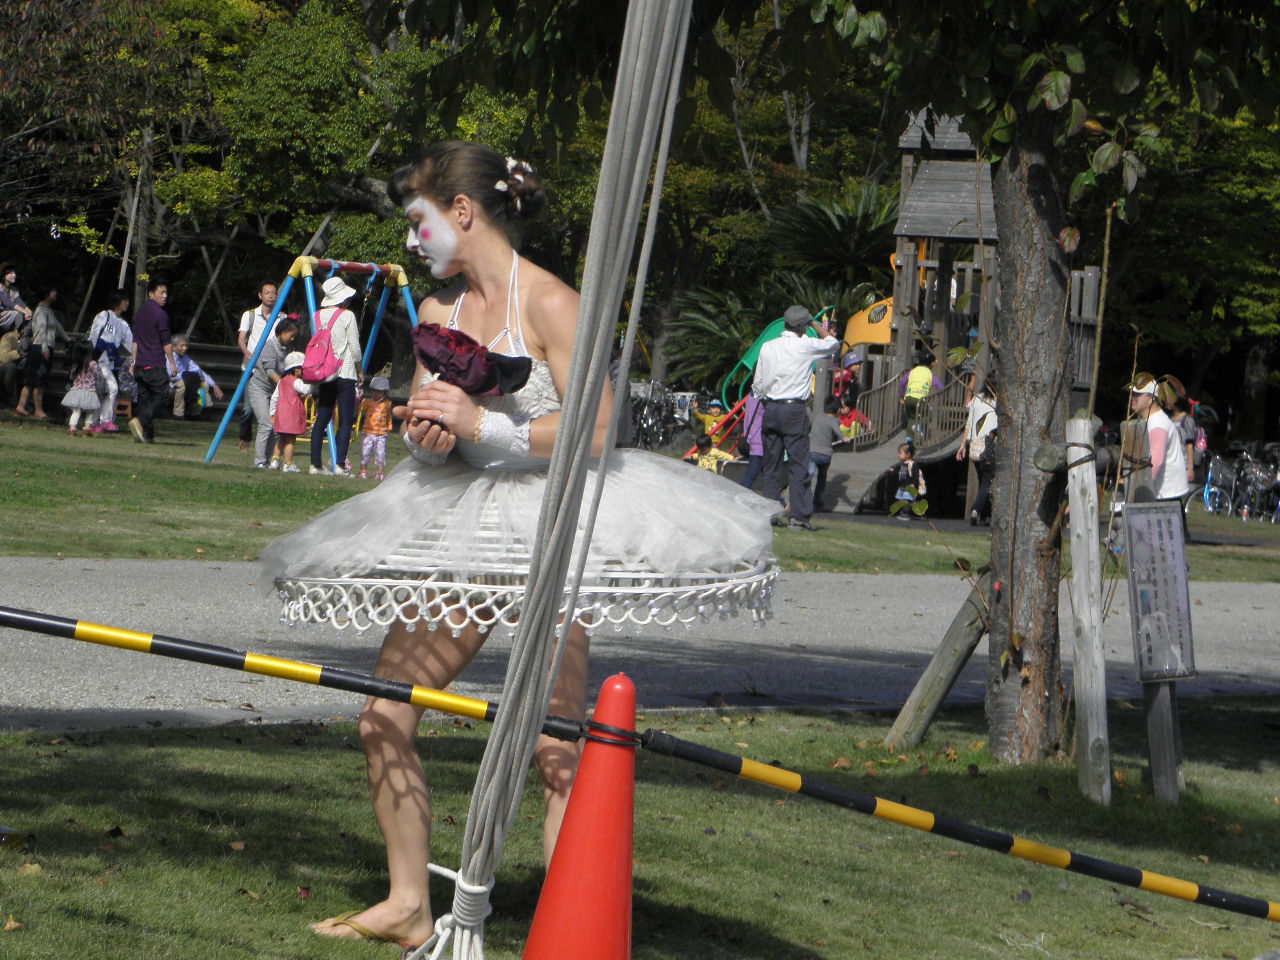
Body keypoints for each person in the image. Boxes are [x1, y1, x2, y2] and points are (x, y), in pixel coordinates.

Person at [259, 141, 777, 949]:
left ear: (462, 212)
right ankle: (408, 903)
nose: (412, 241)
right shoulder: (437, 312)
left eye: (419, 222)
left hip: (550, 527)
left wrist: (485, 424)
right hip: (460, 525)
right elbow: (438, 427)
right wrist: (431, 436)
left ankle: (576, 930)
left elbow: (599, 427)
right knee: (383, 714)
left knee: (555, 741)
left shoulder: (553, 303)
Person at [751, 304, 838, 530]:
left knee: (771, 465)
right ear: (803, 326)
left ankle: (769, 514)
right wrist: (815, 323)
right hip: (794, 409)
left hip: (771, 408)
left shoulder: (768, 347)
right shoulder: (804, 345)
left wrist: (768, 402)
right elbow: (832, 344)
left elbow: (758, 384)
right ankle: (798, 517)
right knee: (798, 464)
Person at [308, 276, 364, 476]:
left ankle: (315, 464)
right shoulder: (347, 315)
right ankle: (340, 464)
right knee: (346, 419)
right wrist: (360, 369)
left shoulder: (316, 316)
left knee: (321, 418)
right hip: (345, 370)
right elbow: (355, 347)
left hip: (325, 372)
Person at [128, 279, 176, 444]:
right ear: (151, 294)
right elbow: (166, 342)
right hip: (155, 364)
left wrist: (133, 361)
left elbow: (135, 340)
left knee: (145, 400)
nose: (165, 296)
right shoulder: (160, 314)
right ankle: (140, 421)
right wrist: (172, 363)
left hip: (140, 365)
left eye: (166, 292)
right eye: (161, 292)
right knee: (162, 395)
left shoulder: (138, 314)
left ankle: (147, 436)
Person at [248, 316, 300, 468]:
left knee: (277, 428)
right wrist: (286, 386)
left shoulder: (288, 349)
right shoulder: (269, 347)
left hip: (276, 393)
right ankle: (260, 462)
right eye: (291, 335)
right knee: (266, 424)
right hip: (260, 389)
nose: (292, 339)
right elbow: (270, 371)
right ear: (282, 332)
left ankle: (270, 459)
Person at [1129, 374, 1189, 503]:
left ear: (1152, 398)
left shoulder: (1158, 425)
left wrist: (1138, 488)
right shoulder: (1146, 420)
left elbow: (1155, 462)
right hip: (1160, 492)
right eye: (1132, 393)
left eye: (1138, 394)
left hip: (1166, 495)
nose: (1133, 397)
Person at [15, 286, 69, 420]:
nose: (55, 293)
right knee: (38, 380)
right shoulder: (41, 310)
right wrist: (44, 349)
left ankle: (21, 406)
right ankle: (38, 410)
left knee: (32, 379)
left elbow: (58, 326)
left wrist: (68, 339)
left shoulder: (48, 310)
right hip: (40, 347)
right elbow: (41, 330)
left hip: (44, 347)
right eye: (52, 291)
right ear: (46, 294)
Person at [237, 282, 279, 450]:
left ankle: (270, 443)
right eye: (267, 292)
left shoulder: (281, 317)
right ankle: (244, 438)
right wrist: (247, 353)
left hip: (271, 369)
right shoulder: (250, 315)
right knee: (248, 408)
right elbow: (241, 339)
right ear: (260, 295)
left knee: (272, 407)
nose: (270, 295)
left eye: (273, 292)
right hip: (251, 368)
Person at [87, 291, 133, 433]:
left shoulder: (124, 324)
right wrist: (91, 357)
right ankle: (101, 421)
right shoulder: (104, 315)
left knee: (105, 390)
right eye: (124, 300)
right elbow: (94, 335)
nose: (127, 303)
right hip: (98, 359)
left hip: (111, 362)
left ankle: (99, 422)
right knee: (110, 388)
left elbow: (131, 344)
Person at [956, 379, 998, 525]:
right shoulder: (998, 402)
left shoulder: (976, 399)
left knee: (983, 480)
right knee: (988, 480)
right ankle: (976, 509)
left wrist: (963, 444)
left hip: (975, 444)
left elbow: (969, 423)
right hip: (990, 445)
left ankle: (986, 515)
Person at [268, 350, 309, 473]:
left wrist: (272, 413)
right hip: (292, 415)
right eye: (303, 369)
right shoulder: (296, 381)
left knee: (282, 439)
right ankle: (288, 463)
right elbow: (305, 389)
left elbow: (274, 397)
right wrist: (313, 383)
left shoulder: (282, 381)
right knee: (290, 440)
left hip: (281, 415)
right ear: (296, 370)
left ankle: (275, 460)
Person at [809, 394, 849, 512]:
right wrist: (845, 438)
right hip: (825, 455)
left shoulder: (818, 417)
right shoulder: (834, 421)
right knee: (822, 477)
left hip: (813, 452)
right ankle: (818, 501)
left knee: (808, 476)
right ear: (837, 410)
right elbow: (838, 431)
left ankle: (803, 499)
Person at [169, 334, 225, 419]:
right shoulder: (169, 358)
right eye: (182, 345)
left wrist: (214, 385)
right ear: (173, 347)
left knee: (204, 384)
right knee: (182, 384)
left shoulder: (185, 358)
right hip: (171, 385)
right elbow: (171, 376)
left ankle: (195, 412)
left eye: (186, 345)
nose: (185, 348)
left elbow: (199, 371)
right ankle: (178, 413)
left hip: (186, 382)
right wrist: (188, 377)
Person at [60, 341, 102, 436]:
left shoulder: (76, 364)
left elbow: (71, 376)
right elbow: (97, 375)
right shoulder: (93, 364)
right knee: (90, 411)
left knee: (76, 411)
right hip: (89, 391)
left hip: (76, 391)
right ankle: (87, 429)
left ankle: (72, 428)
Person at [357, 375, 394, 480]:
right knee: (365, 452)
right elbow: (359, 409)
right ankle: (363, 470)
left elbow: (388, 416)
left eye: (379, 391)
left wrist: (389, 425)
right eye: (374, 390)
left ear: (384, 392)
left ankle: (380, 472)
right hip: (368, 432)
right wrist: (358, 399)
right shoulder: (367, 402)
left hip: (381, 433)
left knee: (380, 453)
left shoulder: (387, 404)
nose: (376, 393)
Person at [898, 354, 941, 441]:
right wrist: (939, 397)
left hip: (908, 398)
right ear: (932, 364)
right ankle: (918, 425)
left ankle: (909, 440)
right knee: (927, 415)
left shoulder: (912, 371)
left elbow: (902, 383)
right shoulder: (930, 374)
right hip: (920, 400)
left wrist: (901, 396)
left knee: (911, 418)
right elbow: (940, 387)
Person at [890, 441, 926, 519]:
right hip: (903, 486)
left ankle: (905, 514)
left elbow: (915, 475)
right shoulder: (903, 464)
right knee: (903, 500)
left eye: (900, 453)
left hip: (909, 486)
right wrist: (894, 472)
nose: (898, 455)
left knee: (906, 500)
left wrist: (913, 483)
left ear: (908, 454)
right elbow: (901, 474)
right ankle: (918, 512)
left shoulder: (912, 464)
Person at [738, 393, 764, 490]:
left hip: (751, 438)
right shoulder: (764, 400)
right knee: (751, 475)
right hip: (759, 442)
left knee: (751, 474)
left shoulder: (750, 398)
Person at [0, 264, 31, 333]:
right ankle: (16, 334)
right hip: (1, 317)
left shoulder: (13, 289)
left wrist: (28, 311)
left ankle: (22, 334)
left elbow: (18, 301)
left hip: (7, 316)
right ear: (4, 275)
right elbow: (7, 302)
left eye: (14, 273)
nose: (14, 275)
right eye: (11, 273)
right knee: (18, 314)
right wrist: (24, 311)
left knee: (28, 314)